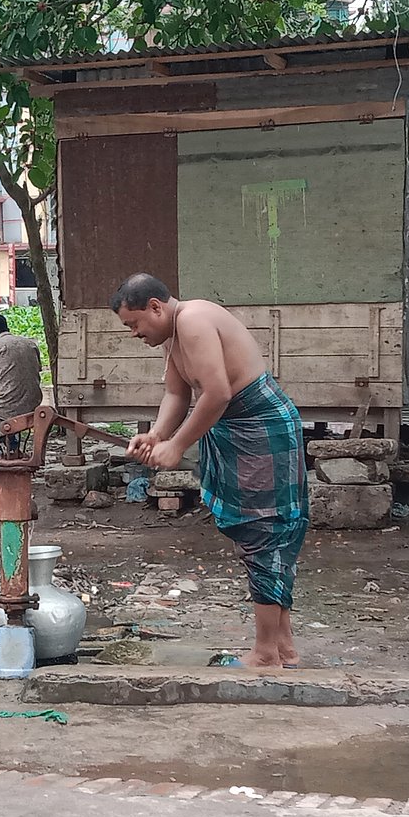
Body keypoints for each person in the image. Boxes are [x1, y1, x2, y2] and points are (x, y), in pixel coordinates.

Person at [110, 273, 308, 668]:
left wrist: (178, 446)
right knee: (258, 535)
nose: (133, 333)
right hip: (239, 431)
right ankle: (283, 645)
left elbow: (217, 393)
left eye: (134, 323)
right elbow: (177, 393)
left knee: (265, 532)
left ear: (155, 306)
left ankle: (266, 652)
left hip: (260, 427)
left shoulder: (193, 320)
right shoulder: (173, 337)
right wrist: (156, 436)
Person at [0, 312, 43, 467]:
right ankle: (13, 449)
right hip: (33, 405)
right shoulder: (30, 344)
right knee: (11, 400)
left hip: (7, 410)